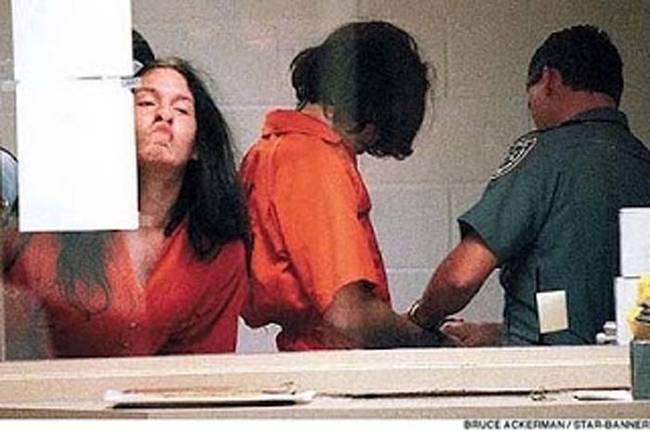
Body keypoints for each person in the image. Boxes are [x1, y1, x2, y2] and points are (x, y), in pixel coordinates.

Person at [407, 25, 650, 346]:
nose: (530, 108)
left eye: (529, 96)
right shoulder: (641, 162)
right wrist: (496, 334)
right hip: (629, 366)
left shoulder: (544, 154)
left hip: (546, 368)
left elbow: (460, 277)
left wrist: (420, 320)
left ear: (548, 79)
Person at [3, 57, 250, 358]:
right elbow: (16, 341)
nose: (164, 114)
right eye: (147, 103)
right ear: (115, 129)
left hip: (166, 389)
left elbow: (205, 370)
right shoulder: (59, 226)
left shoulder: (217, 249)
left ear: (198, 145)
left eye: (181, 109)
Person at [240, 21, 441, 351]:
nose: (367, 143)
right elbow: (349, 315)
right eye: (373, 132)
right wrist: (429, 339)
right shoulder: (313, 160)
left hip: (306, 357)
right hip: (333, 361)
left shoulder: (268, 151)